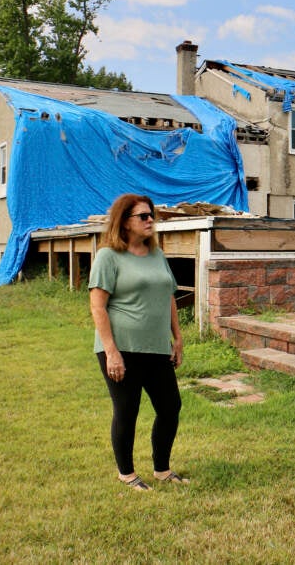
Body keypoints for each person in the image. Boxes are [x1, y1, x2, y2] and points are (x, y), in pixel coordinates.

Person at [89, 193, 188, 491]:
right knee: (127, 411)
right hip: (122, 349)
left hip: (156, 347)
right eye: (143, 216)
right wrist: (111, 352)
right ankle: (127, 474)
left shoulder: (156, 254)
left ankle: (162, 469)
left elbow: (168, 295)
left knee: (170, 407)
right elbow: (98, 306)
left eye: (151, 216)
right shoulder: (109, 256)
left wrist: (178, 337)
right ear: (125, 222)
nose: (150, 221)